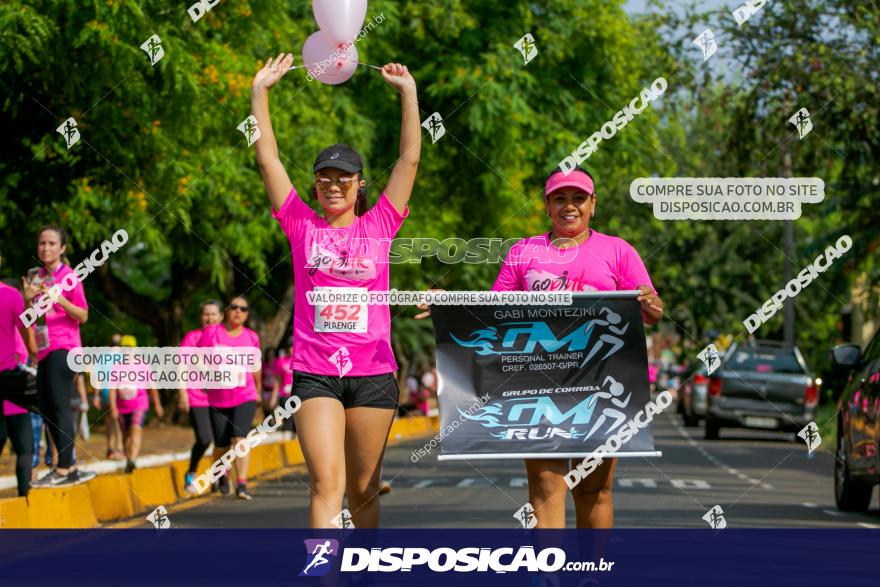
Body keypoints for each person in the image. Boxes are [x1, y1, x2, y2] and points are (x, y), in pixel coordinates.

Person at [251, 54, 419, 527]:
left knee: (364, 489)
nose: (333, 184)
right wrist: (260, 92)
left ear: (360, 184)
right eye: (324, 176)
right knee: (328, 485)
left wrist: (408, 95)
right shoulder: (300, 223)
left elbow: (409, 159)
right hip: (315, 373)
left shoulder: (382, 223)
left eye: (343, 177)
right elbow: (268, 158)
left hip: (372, 371)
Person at [490, 166, 664, 528]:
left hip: (602, 387)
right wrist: (447, 304)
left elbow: (653, 313)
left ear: (593, 205)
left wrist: (650, 303)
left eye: (578, 198)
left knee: (592, 489)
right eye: (560, 198)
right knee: (545, 486)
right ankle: (548, 576)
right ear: (547, 206)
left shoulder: (618, 251)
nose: (570, 206)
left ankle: (590, 573)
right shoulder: (523, 252)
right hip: (538, 385)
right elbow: (494, 311)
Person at [26, 225, 96, 487]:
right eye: (42, 243)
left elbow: (83, 315)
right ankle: (68, 466)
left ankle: (65, 468)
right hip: (44, 349)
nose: (46, 248)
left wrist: (59, 299)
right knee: (45, 407)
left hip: (64, 347)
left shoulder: (70, 277)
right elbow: (32, 317)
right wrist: (27, 299)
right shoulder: (37, 277)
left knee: (59, 405)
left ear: (62, 248)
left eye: (52, 243)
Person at [198, 296, 262, 500]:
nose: (238, 311)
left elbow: (255, 368)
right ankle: (222, 473)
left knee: (239, 438)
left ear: (246, 314)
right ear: (227, 310)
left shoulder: (251, 337)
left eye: (243, 309)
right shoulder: (212, 332)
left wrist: (259, 392)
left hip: (245, 394)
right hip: (218, 397)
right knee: (221, 445)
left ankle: (242, 484)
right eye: (234, 307)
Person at [0, 262, 38, 496]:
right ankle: (25, 498)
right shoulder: (12, 297)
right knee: (25, 449)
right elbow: (32, 345)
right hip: (12, 386)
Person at [179, 300, 222, 494]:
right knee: (204, 438)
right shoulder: (193, 337)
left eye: (214, 314)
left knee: (223, 439)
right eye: (206, 314)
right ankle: (192, 471)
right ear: (200, 317)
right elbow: (180, 366)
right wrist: (182, 395)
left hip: (222, 397)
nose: (210, 318)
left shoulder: (225, 339)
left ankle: (219, 476)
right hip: (196, 396)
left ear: (221, 316)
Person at [110, 335, 163, 473]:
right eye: (124, 349)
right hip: (122, 407)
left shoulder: (142, 365)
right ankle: (129, 459)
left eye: (130, 349)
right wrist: (113, 407)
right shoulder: (116, 367)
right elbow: (112, 389)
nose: (127, 352)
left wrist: (157, 404)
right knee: (126, 435)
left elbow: (152, 387)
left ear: (135, 350)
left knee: (135, 430)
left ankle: (133, 459)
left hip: (139, 403)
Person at [92, 333, 124, 460]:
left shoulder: (103, 357)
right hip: (120, 395)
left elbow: (97, 378)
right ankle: (120, 449)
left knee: (109, 423)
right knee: (119, 424)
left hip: (106, 393)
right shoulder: (124, 356)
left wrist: (96, 396)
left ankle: (110, 450)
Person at [273, 337, 295, 439]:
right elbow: (277, 381)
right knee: (289, 419)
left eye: (294, 346)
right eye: (290, 346)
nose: (292, 349)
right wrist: (274, 397)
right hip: (285, 395)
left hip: (300, 395)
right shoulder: (280, 362)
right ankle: (287, 438)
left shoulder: (303, 361)